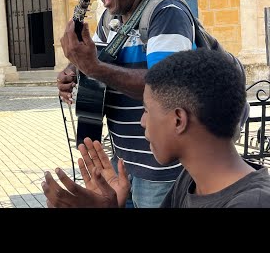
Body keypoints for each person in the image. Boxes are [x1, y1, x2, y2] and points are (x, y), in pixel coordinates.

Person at [57, 0, 195, 207]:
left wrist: (93, 68)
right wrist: (72, 70)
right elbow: (93, 58)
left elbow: (165, 89)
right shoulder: (109, 21)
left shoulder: (166, 12)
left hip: (161, 172)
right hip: (122, 165)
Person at [44, 49, 270, 208]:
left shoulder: (252, 202)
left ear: (178, 120)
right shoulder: (189, 180)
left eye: (146, 110)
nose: (142, 121)